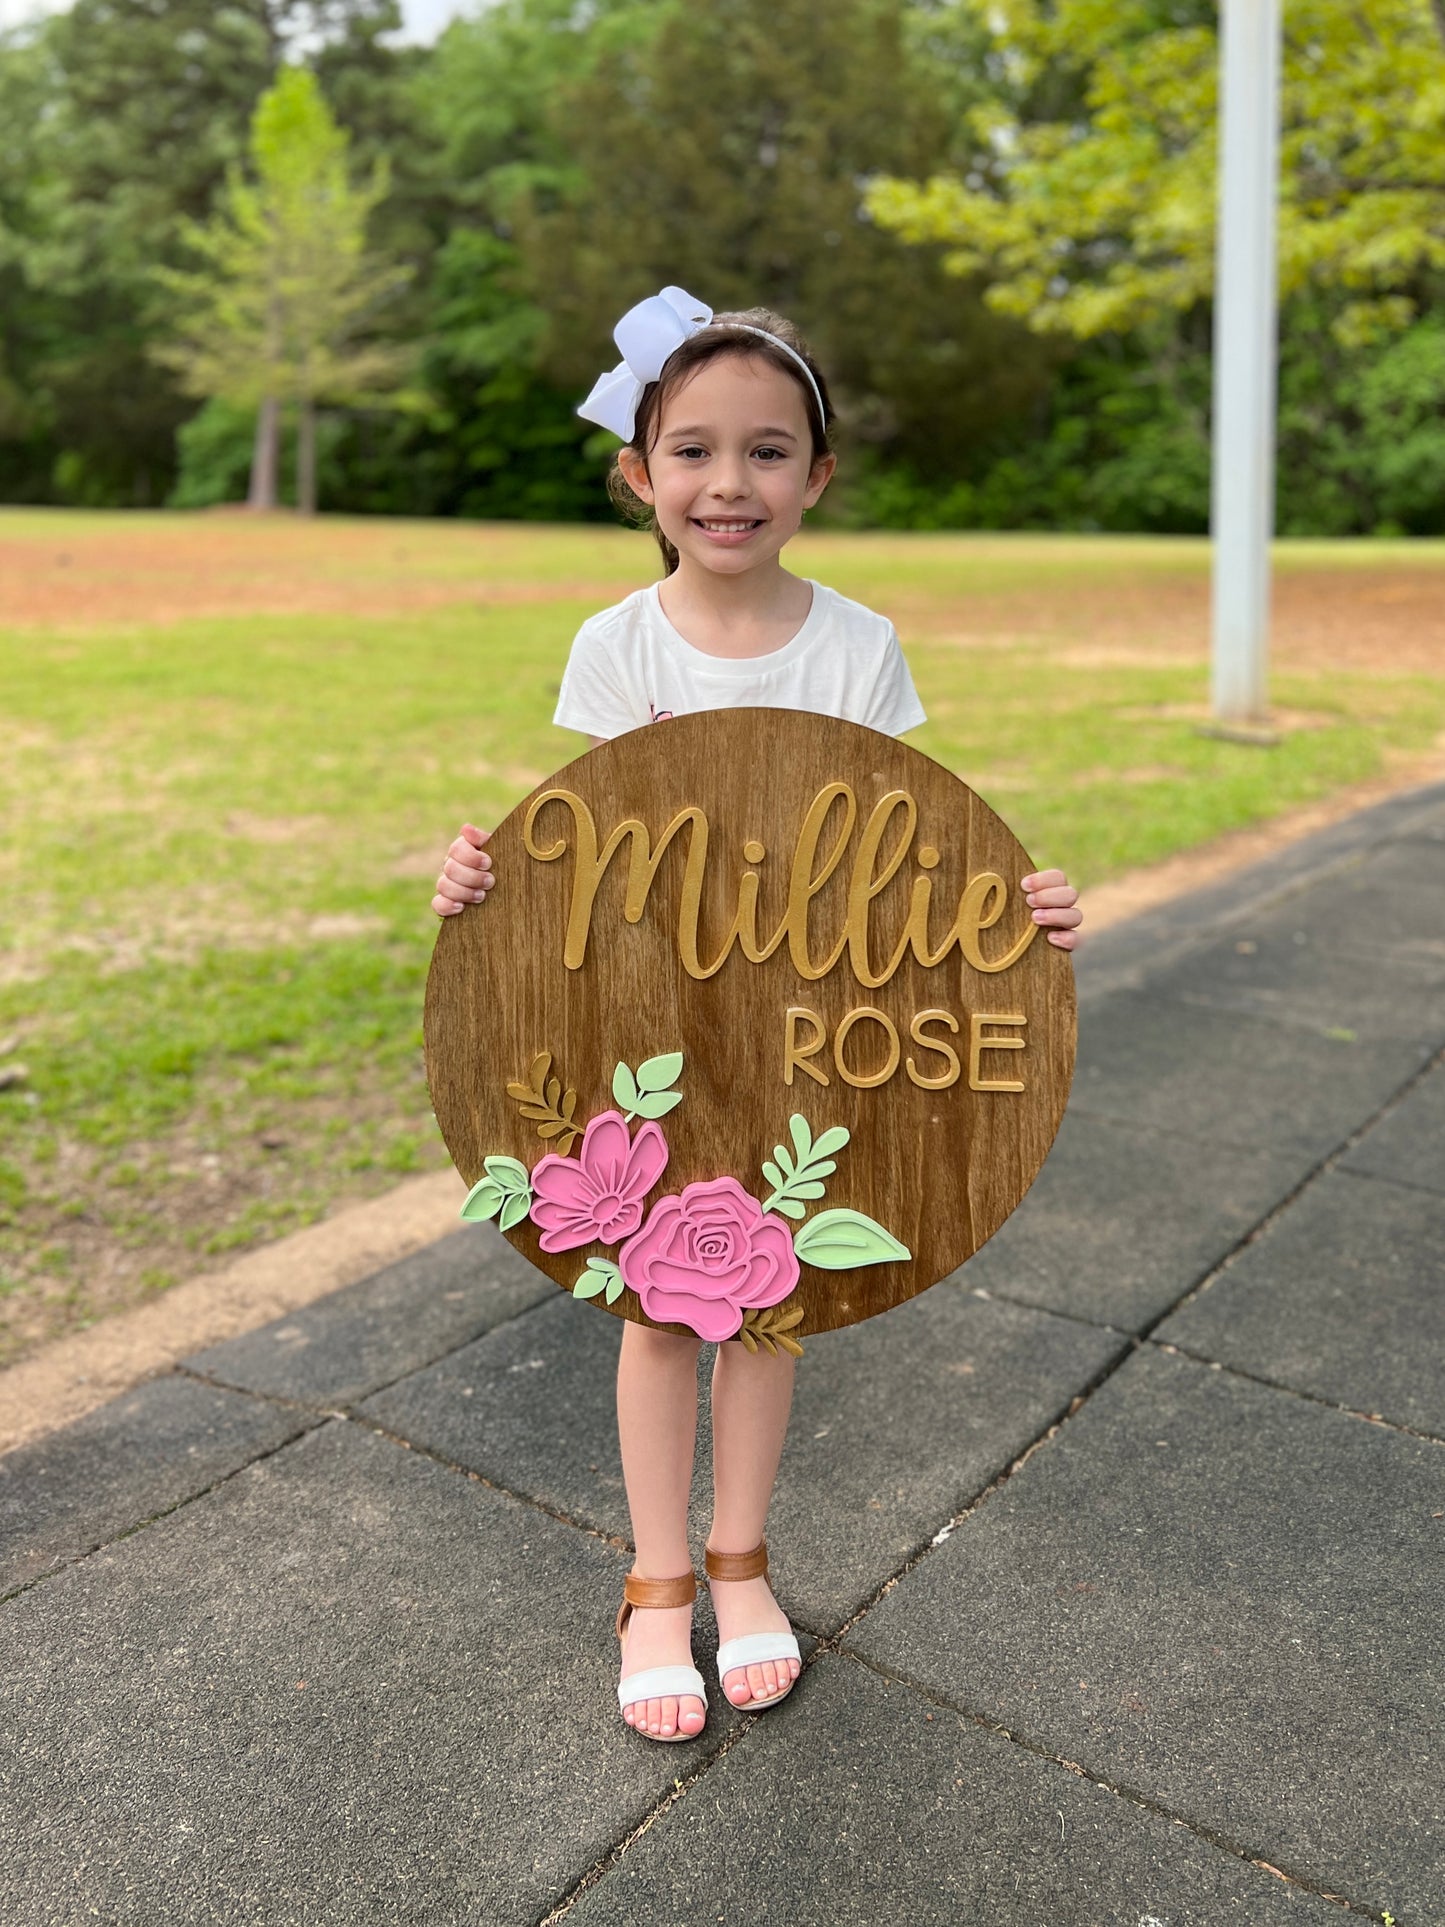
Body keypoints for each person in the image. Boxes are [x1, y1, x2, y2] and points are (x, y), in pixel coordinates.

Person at [431, 287, 1083, 1744]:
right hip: (659, 1029)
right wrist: (477, 881)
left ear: (818, 478)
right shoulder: (618, 646)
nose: (731, 484)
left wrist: (1017, 921)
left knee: (770, 1301)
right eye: (694, 452)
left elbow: (910, 852)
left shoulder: (856, 644)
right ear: (639, 473)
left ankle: (743, 1559)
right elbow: (581, 862)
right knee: (659, 1306)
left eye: (769, 452)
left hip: (807, 1023)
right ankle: (657, 1578)